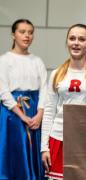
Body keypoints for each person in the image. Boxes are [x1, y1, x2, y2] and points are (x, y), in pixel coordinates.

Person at [41, 23, 86, 180]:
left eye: (81, 39)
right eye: (72, 38)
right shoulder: (56, 73)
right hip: (58, 138)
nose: (76, 42)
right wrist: (44, 147)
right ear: (67, 42)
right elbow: (49, 112)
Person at [0, 19, 47, 180]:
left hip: (33, 110)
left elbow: (45, 89)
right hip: (12, 113)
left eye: (30, 32)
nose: (27, 36)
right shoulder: (4, 60)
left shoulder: (37, 61)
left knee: (32, 148)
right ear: (13, 35)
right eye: (22, 32)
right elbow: (3, 91)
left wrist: (39, 114)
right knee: (14, 150)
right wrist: (21, 115)